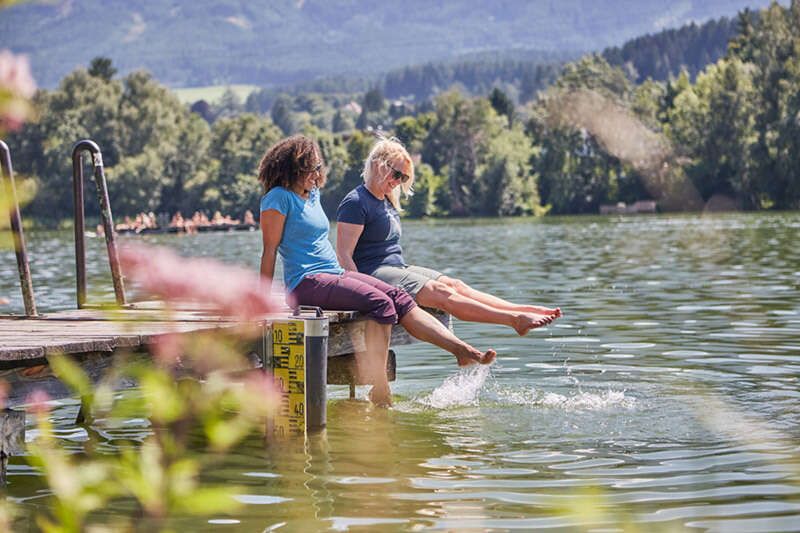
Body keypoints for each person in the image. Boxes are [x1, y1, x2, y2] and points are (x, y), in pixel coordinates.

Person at [259, 135, 495, 406]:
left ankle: (461, 350)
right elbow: (269, 251)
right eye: (311, 168)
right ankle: (380, 387)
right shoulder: (277, 198)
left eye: (318, 167)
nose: (317, 173)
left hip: (334, 273)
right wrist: (261, 301)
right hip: (306, 281)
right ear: (294, 168)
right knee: (380, 304)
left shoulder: (313, 195)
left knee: (399, 298)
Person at [336, 137, 562, 336]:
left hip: (396, 267)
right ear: (378, 165)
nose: (398, 182)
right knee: (441, 292)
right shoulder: (356, 202)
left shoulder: (386, 199)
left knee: (455, 284)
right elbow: (344, 257)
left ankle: (518, 309)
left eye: (403, 178)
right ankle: (514, 321)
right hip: (372, 273)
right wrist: (361, 295)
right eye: (396, 174)